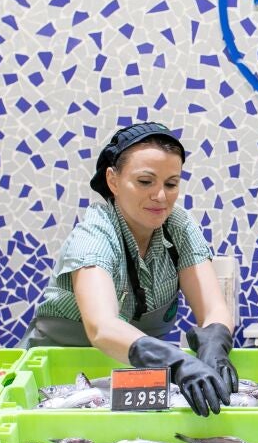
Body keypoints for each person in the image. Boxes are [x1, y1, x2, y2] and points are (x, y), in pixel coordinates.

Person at [24, 122, 237, 417]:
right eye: (145, 181)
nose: (160, 196)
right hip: (61, 384)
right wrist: (177, 362)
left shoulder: (178, 226)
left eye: (171, 184)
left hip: (137, 380)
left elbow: (214, 308)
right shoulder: (93, 236)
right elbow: (102, 327)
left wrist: (215, 341)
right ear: (113, 180)